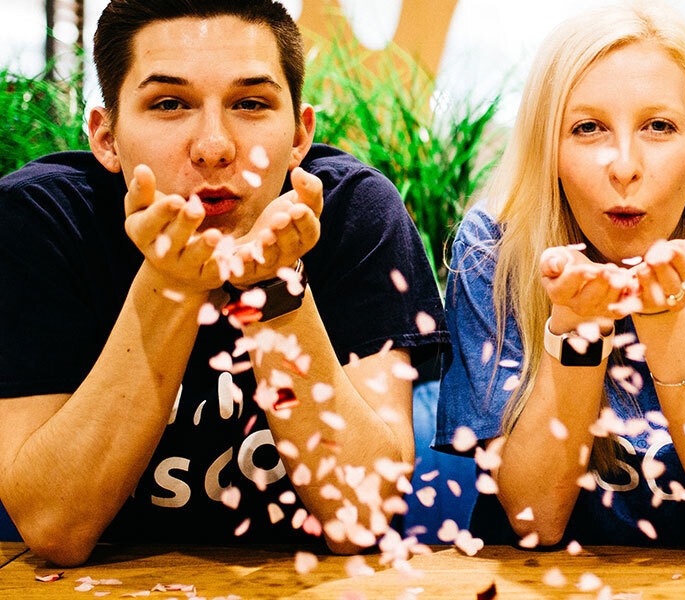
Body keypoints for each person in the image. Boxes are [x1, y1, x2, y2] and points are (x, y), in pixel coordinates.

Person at [0, 0, 447, 566]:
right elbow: (54, 527)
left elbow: (361, 519)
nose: (214, 146)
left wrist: (277, 287)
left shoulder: (353, 212)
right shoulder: (41, 220)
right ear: (107, 137)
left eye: (250, 104)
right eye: (169, 103)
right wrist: (172, 279)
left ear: (299, 136)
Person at [436, 3, 685, 547]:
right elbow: (532, 521)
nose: (623, 165)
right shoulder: (494, 249)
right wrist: (577, 329)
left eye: (659, 127)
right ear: (551, 147)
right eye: (588, 128)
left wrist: (666, 314)